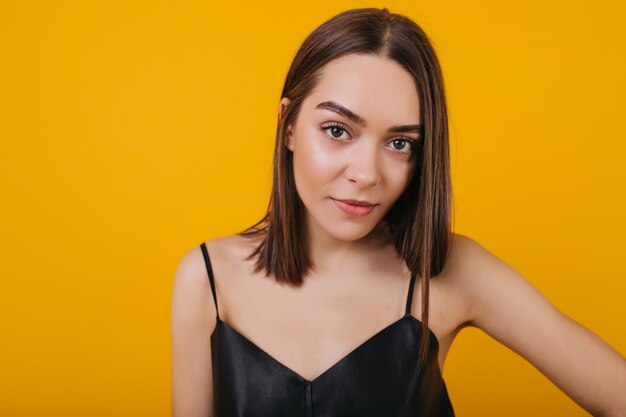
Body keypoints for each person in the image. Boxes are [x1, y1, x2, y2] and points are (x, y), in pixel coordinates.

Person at [170, 7, 626, 417]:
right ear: (289, 126)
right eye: (337, 130)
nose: (367, 173)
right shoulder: (206, 278)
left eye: (399, 143)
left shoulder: (449, 269)